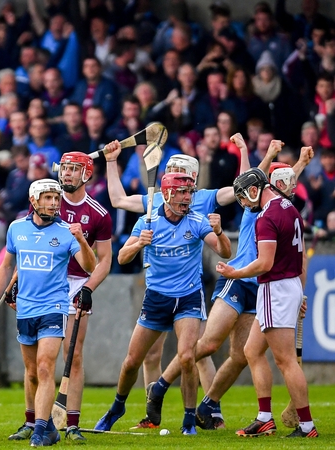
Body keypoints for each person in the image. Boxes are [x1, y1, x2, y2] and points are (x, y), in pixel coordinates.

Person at [146, 140, 312, 430]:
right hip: (242, 282)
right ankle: (160, 385)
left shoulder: (270, 210)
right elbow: (258, 181)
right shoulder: (271, 209)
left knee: (243, 355)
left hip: (260, 281)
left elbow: (265, 183)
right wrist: (277, 159)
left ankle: (212, 404)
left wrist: (288, 162)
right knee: (210, 343)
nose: (242, 203)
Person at [103, 137, 248, 429]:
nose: (186, 194)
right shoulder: (150, 210)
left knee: (189, 355)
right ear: (167, 187)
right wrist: (109, 162)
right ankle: (139, 412)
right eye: (178, 185)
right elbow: (120, 237)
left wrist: (219, 231)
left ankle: (194, 417)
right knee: (139, 359)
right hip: (156, 294)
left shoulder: (201, 204)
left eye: (188, 186)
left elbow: (241, 190)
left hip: (189, 293)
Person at [10, 152, 114, 443]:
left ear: (86, 174)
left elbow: (104, 260)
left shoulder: (98, 213)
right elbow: (28, 248)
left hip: (78, 281)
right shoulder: (45, 196)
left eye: (73, 169)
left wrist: (89, 288)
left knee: (73, 353)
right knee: (36, 365)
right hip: (39, 282)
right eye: (64, 168)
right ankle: (34, 422)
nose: (66, 174)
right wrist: (13, 285)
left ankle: (72, 423)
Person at [0, 179, 96, 446]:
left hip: (54, 307)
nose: (54, 203)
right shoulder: (16, 229)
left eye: (56, 198)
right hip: (25, 308)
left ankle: (40, 431)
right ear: (34, 201)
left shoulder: (66, 232)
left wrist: (81, 240)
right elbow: (6, 267)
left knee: (46, 367)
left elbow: (90, 265)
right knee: (32, 371)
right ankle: (37, 423)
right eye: (48, 198)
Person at [216, 168, 318, 438]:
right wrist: (300, 293)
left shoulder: (267, 216)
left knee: (285, 361)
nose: (244, 203)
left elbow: (265, 263)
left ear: (254, 189)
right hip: (286, 285)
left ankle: (306, 426)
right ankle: (264, 418)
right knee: (251, 350)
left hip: (276, 287)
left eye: (244, 197)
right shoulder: (289, 208)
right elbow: (301, 259)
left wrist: (233, 272)